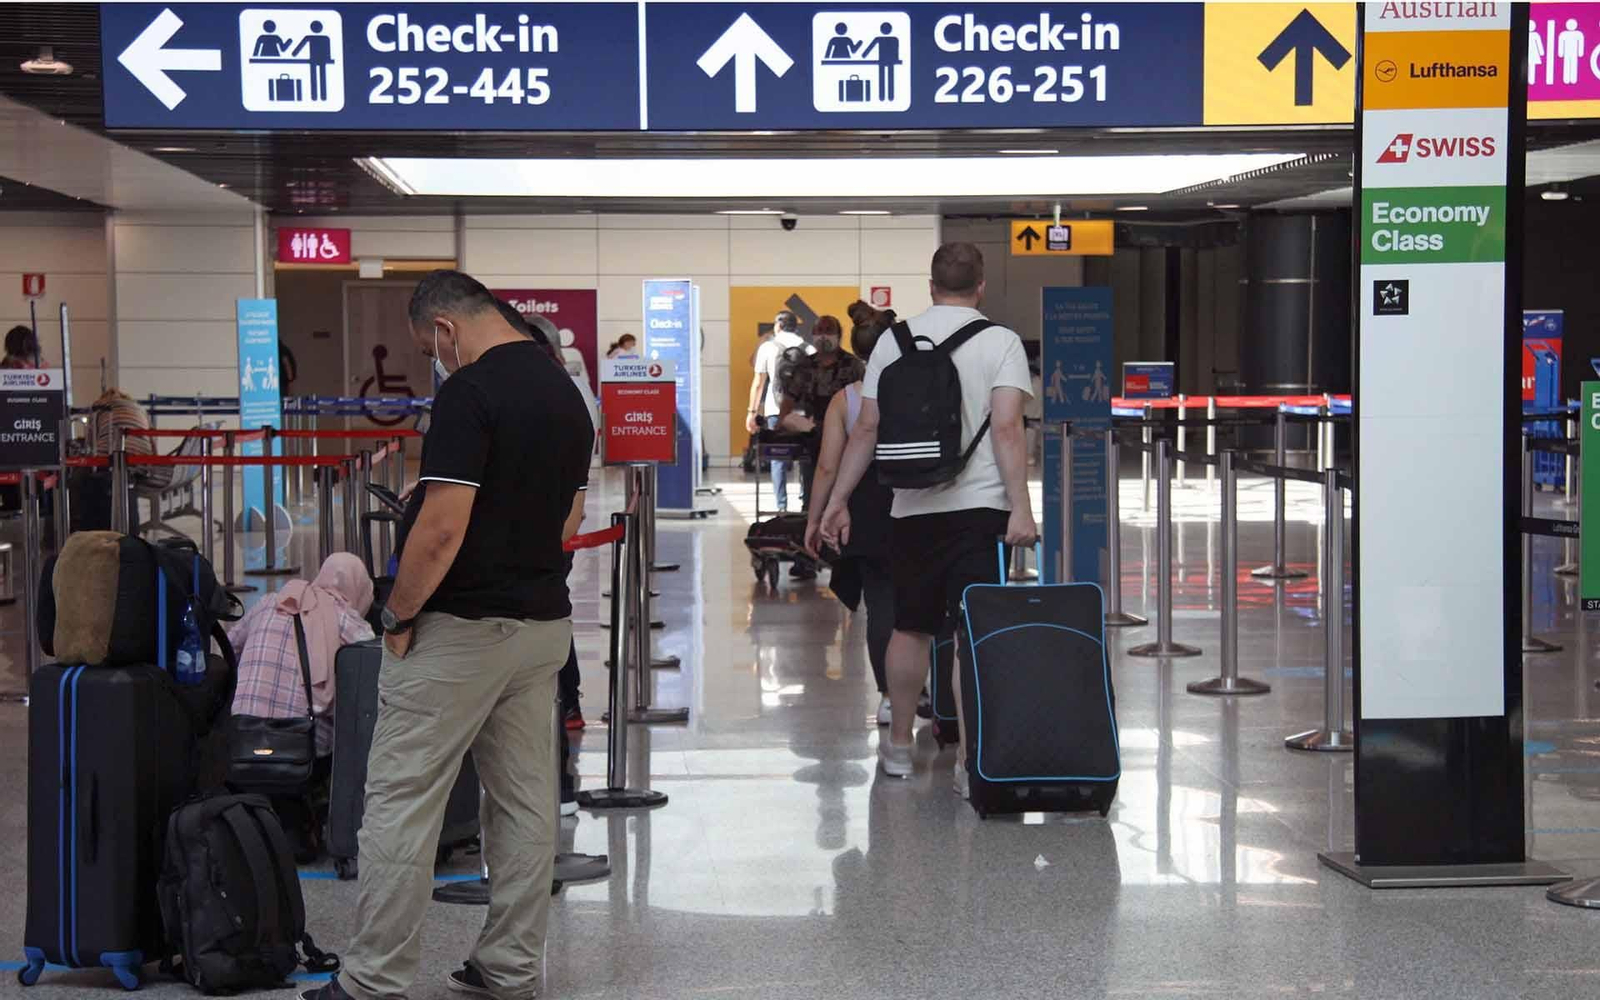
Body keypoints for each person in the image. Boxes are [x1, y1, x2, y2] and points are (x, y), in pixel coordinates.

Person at [301, 270, 593, 1000]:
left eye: (428, 346)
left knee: (403, 799)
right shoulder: (566, 392)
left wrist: (395, 613)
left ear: (446, 331)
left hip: (460, 632)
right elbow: (565, 522)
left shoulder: (470, 392)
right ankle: (510, 966)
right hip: (542, 629)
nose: (435, 358)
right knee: (525, 807)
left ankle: (373, 979)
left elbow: (440, 533)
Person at [819, 242, 1036, 787]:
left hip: (910, 505)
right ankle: (967, 761)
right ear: (981, 285)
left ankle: (896, 747)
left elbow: (865, 430)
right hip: (979, 508)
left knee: (908, 627)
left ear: (931, 284)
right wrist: (1022, 508)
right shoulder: (1001, 342)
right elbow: (1008, 429)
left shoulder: (893, 341)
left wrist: (838, 499)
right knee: (969, 634)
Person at [230, 554, 375, 856]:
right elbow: (369, 668)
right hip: (299, 744)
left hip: (242, 735)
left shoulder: (270, 601)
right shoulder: (346, 619)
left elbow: (229, 646)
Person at [805, 320, 896, 723]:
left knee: (880, 607)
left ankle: (890, 696)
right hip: (917, 501)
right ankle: (928, 690)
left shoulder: (846, 400)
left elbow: (827, 467)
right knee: (925, 605)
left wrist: (816, 517)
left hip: (866, 508)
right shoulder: (915, 390)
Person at [746, 310, 810, 513]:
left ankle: (781, 507)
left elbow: (758, 383)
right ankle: (805, 503)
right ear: (795, 326)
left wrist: (752, 412)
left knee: (778, 459)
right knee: (806, 458)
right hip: (803, 412)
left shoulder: (767, 347)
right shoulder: (808, 348)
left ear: (778, 326)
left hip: (776, 411)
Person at [89, 388, 154, 458]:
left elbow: (91, 439)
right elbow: (152, 438)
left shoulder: (100, 407)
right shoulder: (141, 409)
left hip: (107, 454)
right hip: (142, 454)